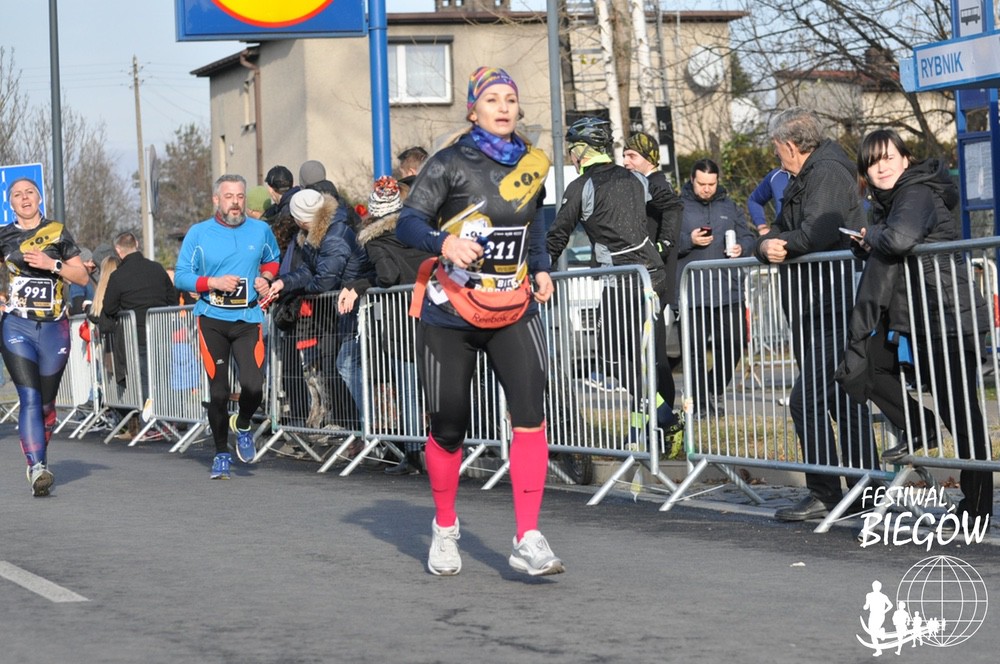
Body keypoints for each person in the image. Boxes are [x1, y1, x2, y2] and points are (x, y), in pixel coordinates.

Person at [396, 66, 562, 576]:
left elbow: (536, 227)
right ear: (473, 110)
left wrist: (541, 267)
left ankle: (528, 536)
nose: (503, 106)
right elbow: (408, 223)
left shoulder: (533, 163)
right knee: (449, 425)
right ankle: (445, 527)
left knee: (530, 413)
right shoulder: (449, 162)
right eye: (492, 99)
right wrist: (444, 243)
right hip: (451, 312)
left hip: (513, 307)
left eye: (510, 98)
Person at [837, 128, 992, 524]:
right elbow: (891, 246)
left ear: (905, 159)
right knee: (867, 364)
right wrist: (865, 243)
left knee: (959, 408)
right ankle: (919, 424)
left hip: (950, 313)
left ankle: (977, 504)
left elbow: (901, 238)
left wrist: (873, 235)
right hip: (918, 317)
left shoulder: (916, 192)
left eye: (888, 157)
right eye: (872, 162)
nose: (881, 167)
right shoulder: (888, 202)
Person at [753, 107, 875, 521]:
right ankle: (865, 489)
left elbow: (815, 233)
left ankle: (827, 491)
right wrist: (765, 245)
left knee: (806, 401)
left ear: (790, 145)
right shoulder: (809, 173)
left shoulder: (825, 172)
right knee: (842, 399)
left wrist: (777, 244)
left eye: (776, 148)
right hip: (814, 304)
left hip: (831, 303)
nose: (776, 156)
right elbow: (783, 227)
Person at [547, 117, 675, 438]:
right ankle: (640, 435)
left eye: (572, 150)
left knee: (610, 355)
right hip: (653, 276)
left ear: (582, 151)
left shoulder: (582, 187)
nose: (571, 157)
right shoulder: (636, 179)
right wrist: (663, 244)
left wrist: (536, 270)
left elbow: (557, 236)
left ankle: (664, 415)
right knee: (644, 358)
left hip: (623, 280)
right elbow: (672, 205)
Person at [174, 174, 281, 479]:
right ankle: (221, 453)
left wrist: (266, 279)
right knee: (218, 391)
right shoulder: (199, 233)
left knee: (254, 386)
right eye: (229, 196)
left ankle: (243, 424)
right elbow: (181, 276)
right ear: (216, 200)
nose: (235, 203)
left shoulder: (260, 229)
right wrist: (213, 282)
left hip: (247, 319)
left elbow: (272, 260)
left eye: (240, 197)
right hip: (212, 320)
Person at [0, 177, 90, 496]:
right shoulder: (4, 235)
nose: (24, 198)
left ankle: (39, 456)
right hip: (17, 326)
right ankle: (37, 466)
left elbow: (82, 276)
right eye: (17, 195)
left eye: (30, 193)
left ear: (40, 198)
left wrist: (53, 264)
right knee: (29, 397)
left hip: (54, 328)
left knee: (46, 404)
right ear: (10, 203)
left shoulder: (57, 231)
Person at [340, 176, 435, 475]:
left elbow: (388, 276)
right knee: (436, 389)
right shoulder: (417, 231)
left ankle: (414, 455)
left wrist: (359, 284)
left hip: (400, 321)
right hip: (434, 314)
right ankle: (445, 450)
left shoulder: (376, 240)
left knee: (408, 391)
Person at [269, 188, 374, 426]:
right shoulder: (315, 233)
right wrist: (284, 282)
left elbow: (325, 280)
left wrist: (297, 292)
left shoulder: (334, 236)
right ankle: (356, 426)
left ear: (300, 219)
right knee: (338, 366)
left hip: (353, 306)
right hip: (340, 308)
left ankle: (365, 425)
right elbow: (309, 271)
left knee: (345, 365)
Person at [676, 158, 755, 416]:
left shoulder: (730, 207)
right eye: (702, 184)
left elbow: (748, 237)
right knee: (694, 350)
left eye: (711, 184)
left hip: (727, 290)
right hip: (692, 293)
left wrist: (742, 247)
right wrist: (689, 240)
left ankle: (711, 388)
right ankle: (700, 404)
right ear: (692, 180)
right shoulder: (678, 206)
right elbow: (666, 243)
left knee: (734, 345)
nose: (707, 189)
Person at [622, 132, 684, 431]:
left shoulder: (657, 186)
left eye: (632, 156)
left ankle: (666, 423)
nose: (625, 161)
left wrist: (659, 249)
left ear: (650, 159)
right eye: (624, 155)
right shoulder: (638, 185)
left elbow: (672, 218)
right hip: (641, 283)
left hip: (654, 286)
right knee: (639, 359)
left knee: (655, 359)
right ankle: (644, 426)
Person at [100, 231, 177, 402]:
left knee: (144, 381)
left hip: (135, 336)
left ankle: (147, 416)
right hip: (161, 331)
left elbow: (109, 307)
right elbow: (172, 299)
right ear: (137, 244)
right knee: (162, 377)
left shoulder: (118, 276)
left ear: (118, 250)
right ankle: (164, 412)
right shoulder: (157, 269)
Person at [746, 166, 790, 235]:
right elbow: (754, 201)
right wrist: (762, 227)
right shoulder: (777, 176)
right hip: (782, 238)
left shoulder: (808, 176)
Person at [68, 247, 98, 314]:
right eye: (89, 261)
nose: (92, 265)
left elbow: (78, 308)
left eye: (92, 261)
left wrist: (67, 311)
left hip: (82, 319)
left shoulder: (78, 281)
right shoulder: (91, 279)